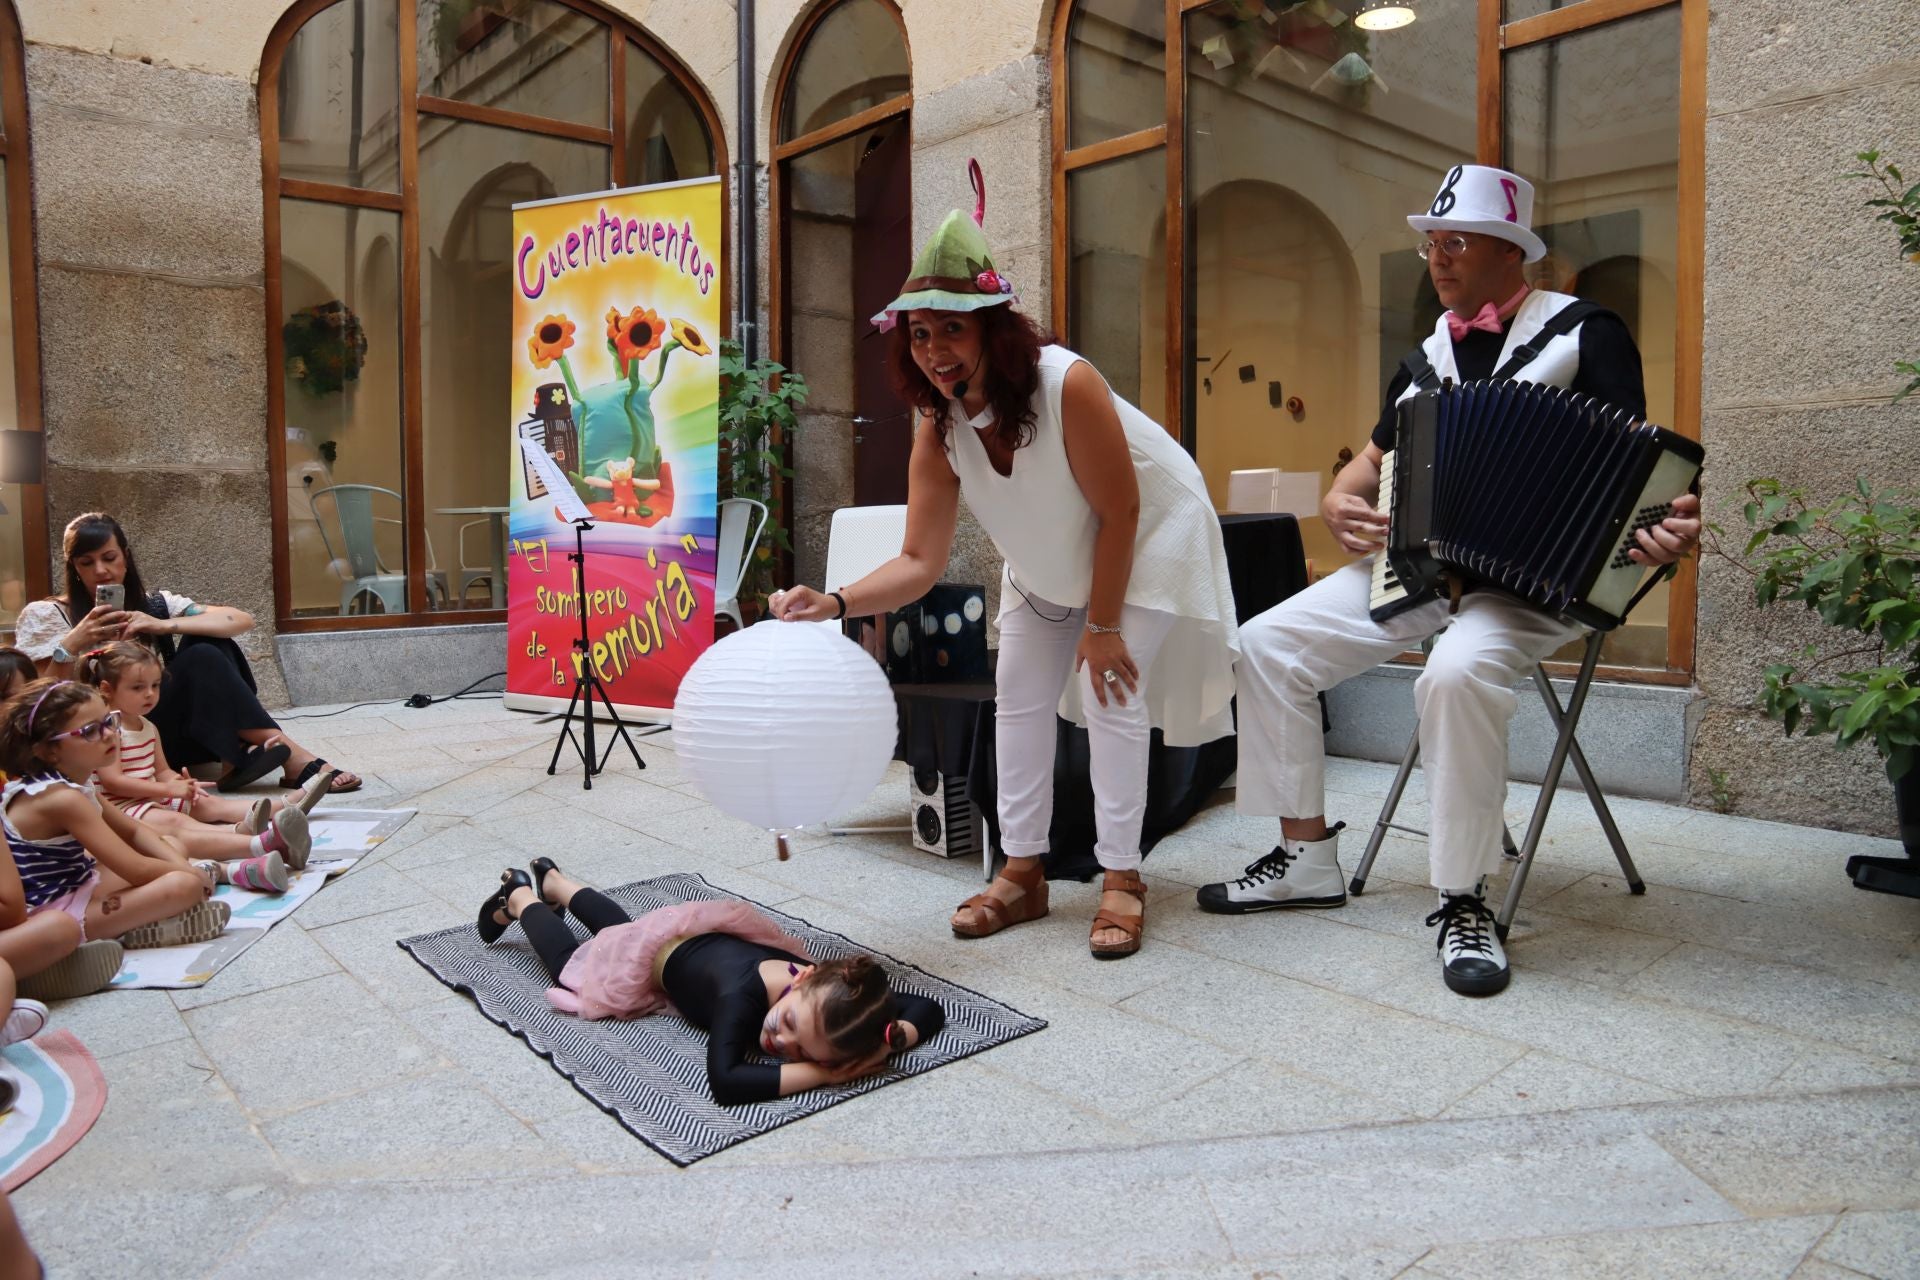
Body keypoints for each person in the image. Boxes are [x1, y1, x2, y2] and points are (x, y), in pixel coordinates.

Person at [1199, 165, 1701, 996]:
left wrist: (1668, 528)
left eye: (1456, 241)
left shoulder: (1585, 333)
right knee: (1266, 643)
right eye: (1431, 242)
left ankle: (1464, 899)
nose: (1438, 258)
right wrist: (1339, 502)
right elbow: (1365, 466)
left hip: (1537, 583)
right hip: (1425, 570)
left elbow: (1644, 473)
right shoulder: (1425, 359)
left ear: (1513, 253)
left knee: (1457, 670)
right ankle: (1306, 856)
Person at [770, 165, 1239, 959]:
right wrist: (835, 600)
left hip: (1149, 542)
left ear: (993, 325)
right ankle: (1023, 875)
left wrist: (1101, 624)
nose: (933, 351)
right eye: (919, 333)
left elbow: (1122, 510)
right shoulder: (938, 424)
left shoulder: (1068, 385)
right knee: (1018, 699)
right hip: (1049, 563)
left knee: (1110, 696)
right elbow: (919, 560)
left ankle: (1122, 878)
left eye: (951, 329)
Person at [477, 859, 945, 1106]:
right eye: (786, 1023)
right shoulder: (739, 1001)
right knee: (574, 967)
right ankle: (520, 896)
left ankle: (555, 881)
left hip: (688, 933)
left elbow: (927, 1008)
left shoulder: (829, 995)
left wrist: (888, 1039)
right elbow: (726, 1082)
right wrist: (827, 1072)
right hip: (668, 958)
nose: (778, 1042)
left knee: (623, 931)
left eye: (800, 1051)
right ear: (802, 978)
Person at [11, 513, 358, 795]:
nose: (101, 570)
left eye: (109, 557)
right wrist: (72, 644)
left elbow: (240, 620)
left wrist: (162, 625)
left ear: (126, 558)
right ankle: (281, 756)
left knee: (206, 645)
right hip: (107, 739)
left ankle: (247, 754)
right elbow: (33, 704)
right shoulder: (46, 616)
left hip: (161, 732)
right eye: (87, 562)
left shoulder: (155, 605)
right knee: (202, 657)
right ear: (74, 567)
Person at [0, 678, 230, 950]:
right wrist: (190, 876)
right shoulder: (61, 798)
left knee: (172, 848)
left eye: (108, 721)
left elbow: (133, 830)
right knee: (182, 886)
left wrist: (184, 866)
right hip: (51, 909)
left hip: (74, 883)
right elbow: (136, 868)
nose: (110, 734)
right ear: (47, 751)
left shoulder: (74, 781)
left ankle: (142, 921)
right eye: (89, 731)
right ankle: (120, 932)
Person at [83, 642, 313, 893]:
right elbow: (113, 782)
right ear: (106, 689)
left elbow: (161, 770)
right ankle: (255, 841)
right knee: (177, 823)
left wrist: (180, 783)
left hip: (149, 797)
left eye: (155, 685)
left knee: (202, 804)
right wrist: (167, 790)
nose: (149, 694)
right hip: (121, 808)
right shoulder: (109, 729)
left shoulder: (148, 727)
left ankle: (277, 811)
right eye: (138, 688)